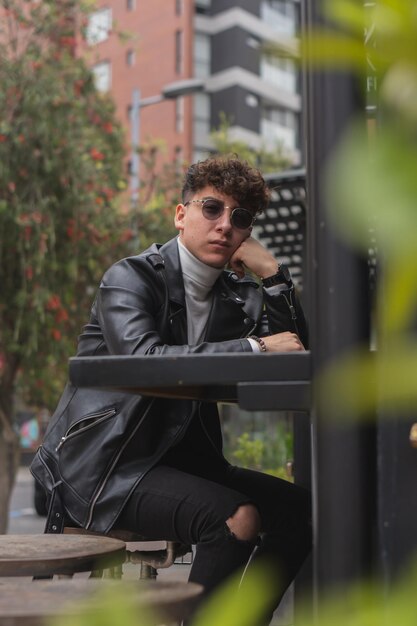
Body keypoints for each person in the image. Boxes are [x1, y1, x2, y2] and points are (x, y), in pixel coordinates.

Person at [31, 155, 311, 624]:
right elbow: (146, 363)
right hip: (106, 466)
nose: (225, 225)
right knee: (234, 517)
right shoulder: (131, 278)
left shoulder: (232, 298)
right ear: (181, 215)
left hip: (180, 463)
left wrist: (274, 278)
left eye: (239, 218)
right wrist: (255, 347)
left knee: (300, 510)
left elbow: (290, 355)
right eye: (211, 209)